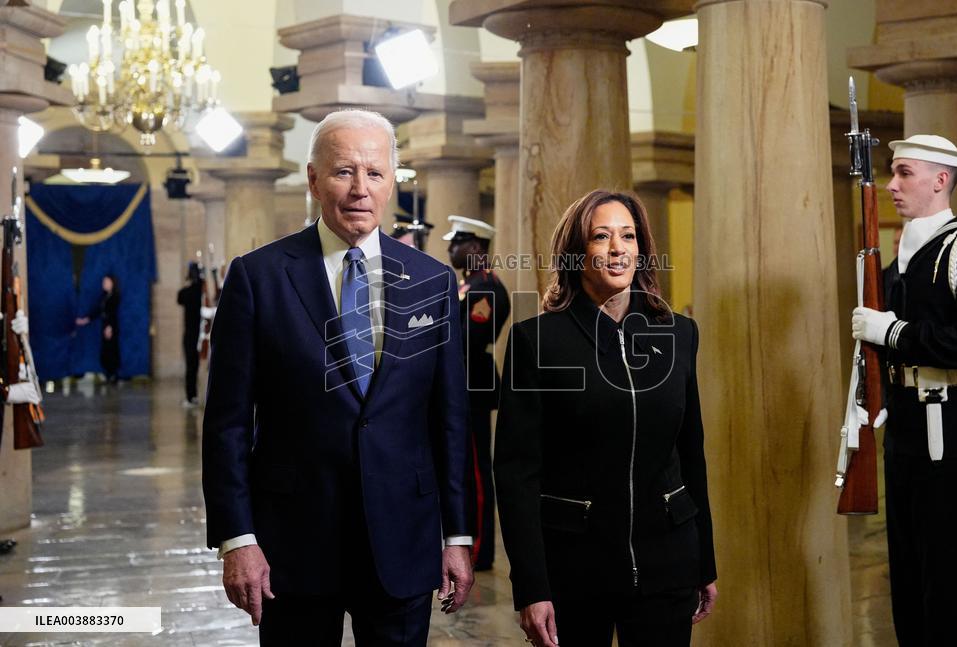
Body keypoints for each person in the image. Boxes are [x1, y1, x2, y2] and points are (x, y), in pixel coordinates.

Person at [201, 108, 474, 646]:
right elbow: (228, 424)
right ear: (313, 179)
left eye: (374, 173)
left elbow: (449, 421)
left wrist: (457, 535)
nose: (359, 189)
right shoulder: (258, 278)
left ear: (392, 180)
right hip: (292, 545)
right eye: (344, 171)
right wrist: (237, 538)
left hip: (402, 538)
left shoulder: (433, 282)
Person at [494, 189, 717, 647]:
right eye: (601, 236)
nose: (618, 249)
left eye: (628, 236)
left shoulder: (679, 334)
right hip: (574, 570)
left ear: (642, 249)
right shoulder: (537, 342)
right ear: (577, 254)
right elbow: (517, 475)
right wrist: (531, 587)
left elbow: (691, 454)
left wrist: (704, 563)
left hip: (667, 565)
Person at [851, 134, 957, 646]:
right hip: (907, 432)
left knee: (951, 589)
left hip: (950, 433)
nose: (892, 185)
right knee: (910, 586)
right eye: (893, 173)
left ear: (941, 180)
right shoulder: (905, 249)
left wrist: (892, 332)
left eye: (905, 173)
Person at [443, 215, 510, 571]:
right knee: (460, 468)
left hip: (472, 388)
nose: (450, 249)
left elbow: (468, 340)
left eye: (457, 243)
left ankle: (480, 548)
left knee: (476, 472)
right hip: (459, 386)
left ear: (476, 247)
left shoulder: (487, 288)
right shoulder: (468, 285)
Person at [76, 274, 121, 383]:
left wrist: (109, 327)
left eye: (106, 282)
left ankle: (113, 375)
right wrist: (85, 320)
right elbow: (98, 311)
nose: (104, 284)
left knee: (112, 350)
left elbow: (112, 313)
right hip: (105, 326)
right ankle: (108, 374)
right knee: (105, 351)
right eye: (103, 282)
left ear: (112, 283)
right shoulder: (104, 297)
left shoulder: (115, 297)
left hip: (111, 327)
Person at [176, 261, 204, 407]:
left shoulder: (189, 292)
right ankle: (193, 396)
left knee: (191, 367)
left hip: (191, 335)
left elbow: (179, 297)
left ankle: (191, 396)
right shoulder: (200, 291)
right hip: (198, 333)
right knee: (194, 366)